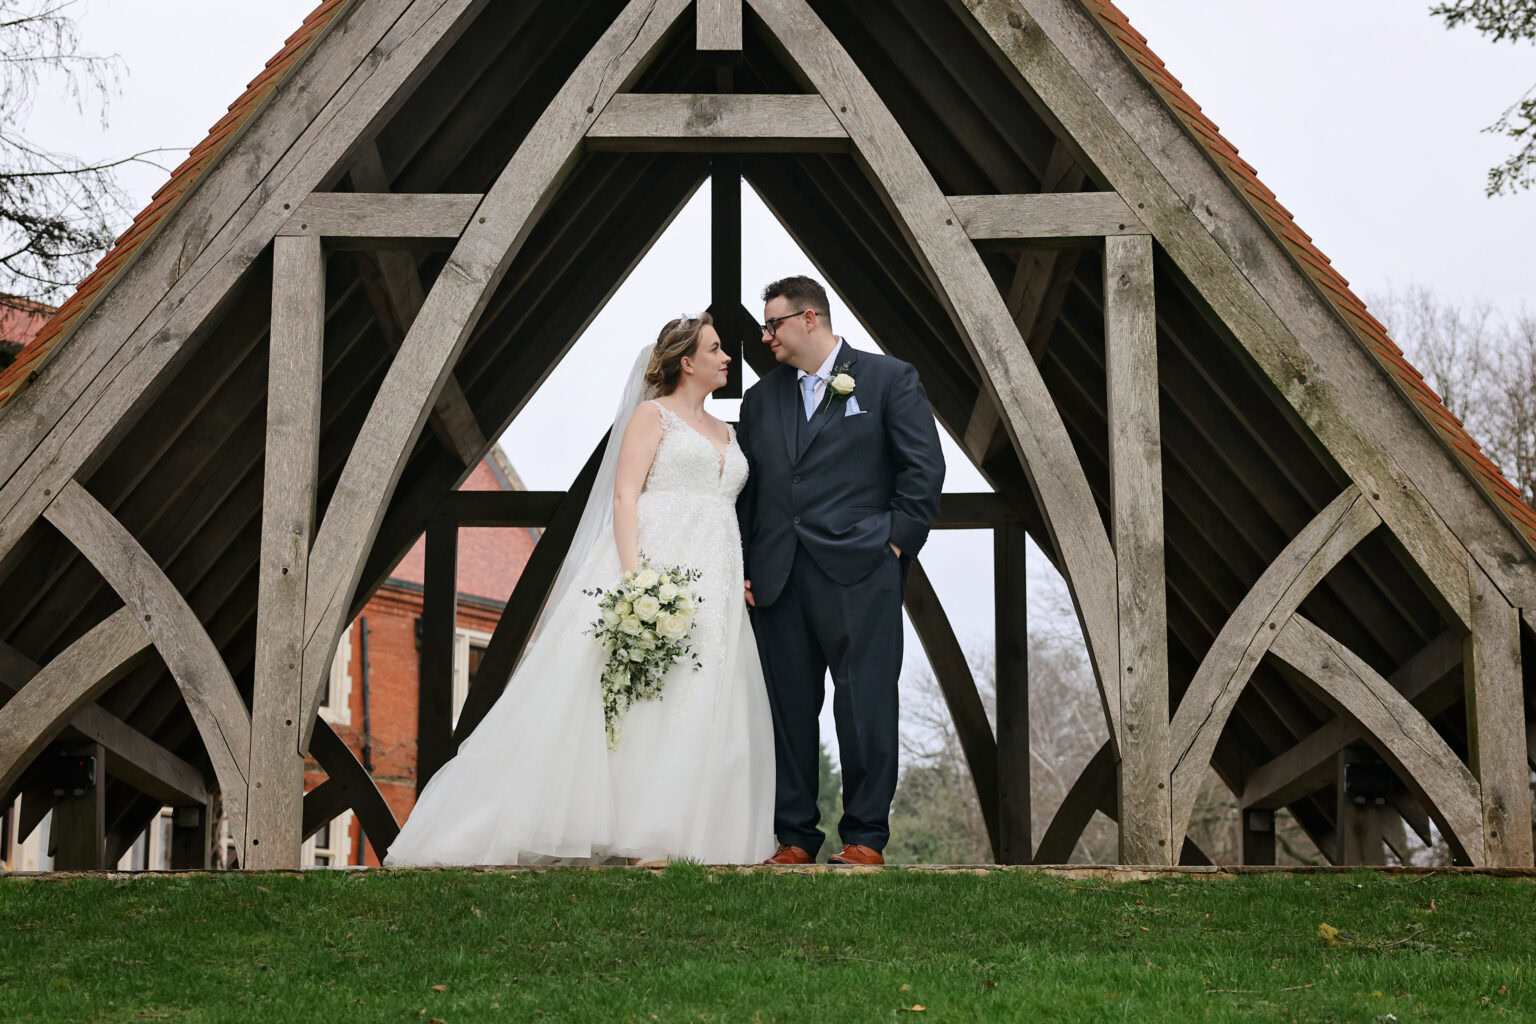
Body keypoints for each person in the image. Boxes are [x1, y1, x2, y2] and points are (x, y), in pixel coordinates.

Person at [384, 315, 776, 866]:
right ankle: (625, 830)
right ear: (687, 362)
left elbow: (726, 510)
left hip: (716, 575)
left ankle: (684, 832)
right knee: (637, 695)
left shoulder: (729, 434)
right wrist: (638, 579)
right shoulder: (651, 416)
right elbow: (624, 496)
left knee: (702, 695)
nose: (727, 358)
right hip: (659, 566)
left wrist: (735, 574)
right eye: (716, 349)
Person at [736, 276, 945, 866]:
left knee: (866, 704)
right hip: (778, 576)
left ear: (809, 319)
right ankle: (795, 837)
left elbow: (923, 471)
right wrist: (749, 565)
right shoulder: (760, 400)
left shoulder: (887, 379)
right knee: (787, 709)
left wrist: (895, 546)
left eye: (772, 323)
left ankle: (865, 837)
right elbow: (752, 492)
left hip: (862, 569)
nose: (765, 335)